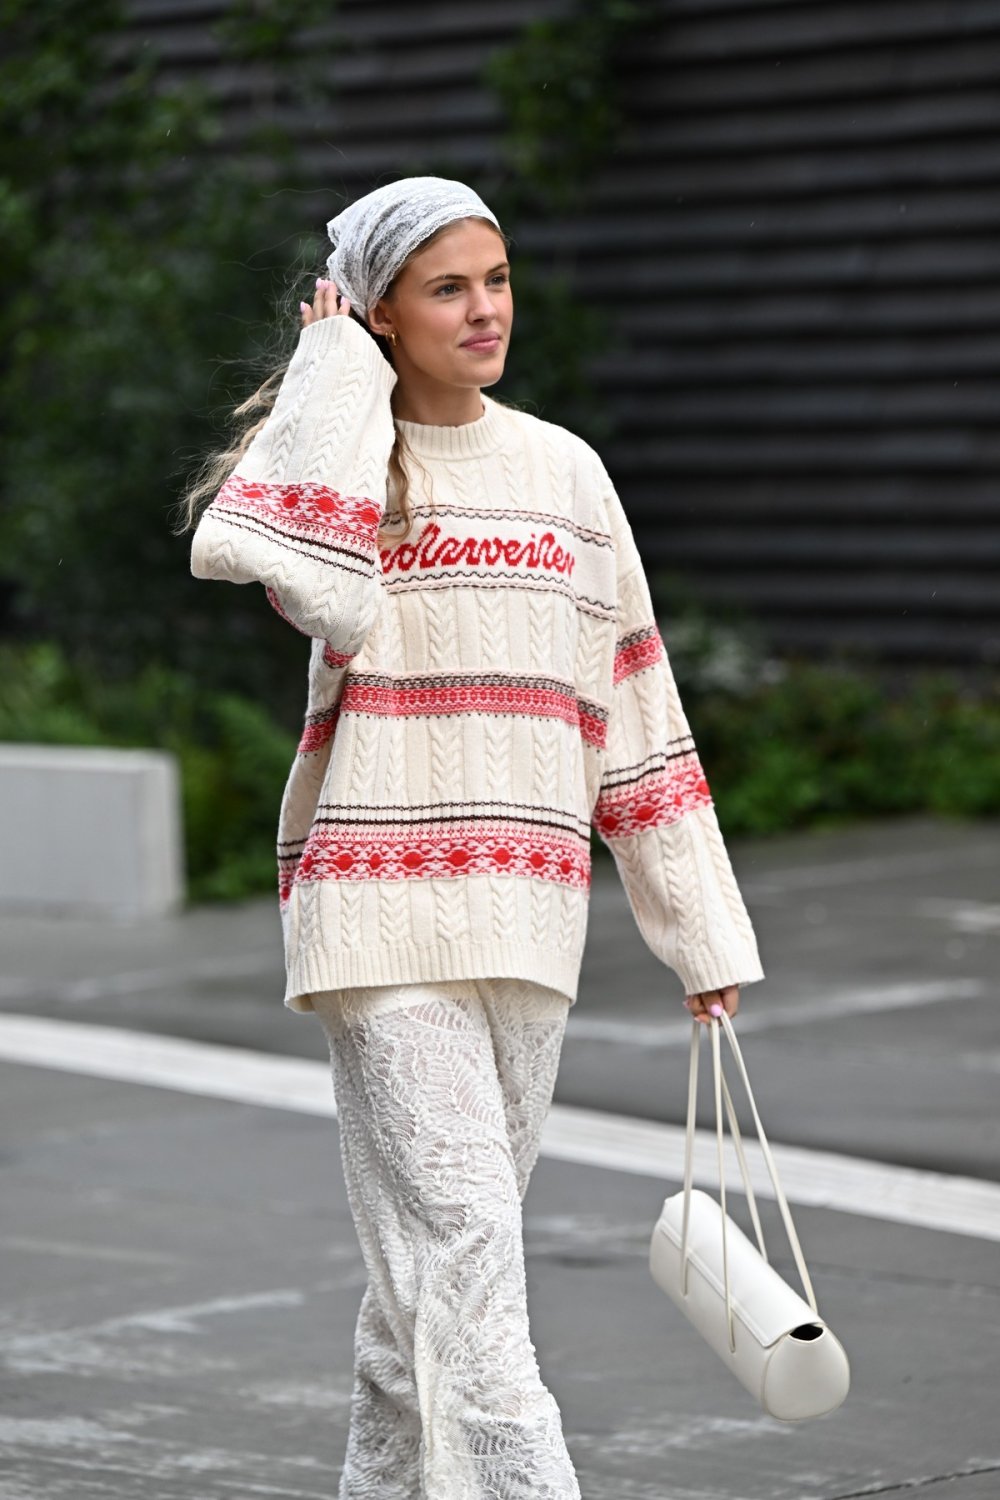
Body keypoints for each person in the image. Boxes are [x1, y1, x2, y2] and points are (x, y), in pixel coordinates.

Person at [180, 175, 765, 1499]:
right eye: (447, 288)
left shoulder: (568, 474)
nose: (486, 310)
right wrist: (333, 375)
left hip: (528, 917)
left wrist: (700, 934)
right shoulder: (348, 465)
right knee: (471, 1253)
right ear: (379, 311)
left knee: (428, 1293)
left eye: (496, 280)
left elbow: (635, 709)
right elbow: (308, 584)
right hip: (374, 915)